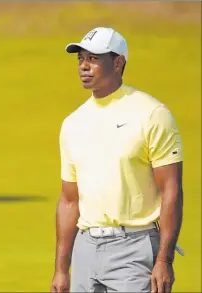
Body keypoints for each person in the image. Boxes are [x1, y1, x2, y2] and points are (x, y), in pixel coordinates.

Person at [50, 27, 184, 293]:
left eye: (94, 58)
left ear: (118, 62)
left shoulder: (152, 114)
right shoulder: (73, 123)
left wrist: (164, 260)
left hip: (134, 249)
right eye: (80, 59)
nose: (84, 66)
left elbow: (171, 190)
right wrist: (61, 269)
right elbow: (69, 200)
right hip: (86, 250)